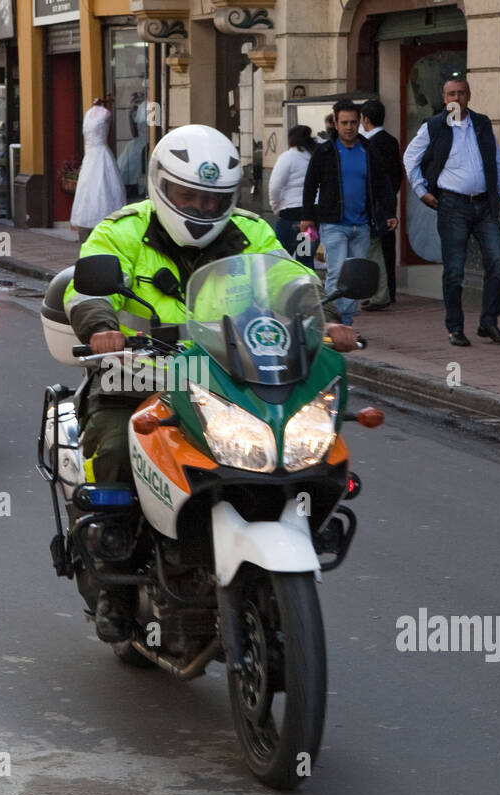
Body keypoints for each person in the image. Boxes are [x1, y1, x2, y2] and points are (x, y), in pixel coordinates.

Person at [62, 124, 359, 641]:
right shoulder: (120, 229)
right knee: (112, 451)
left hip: (227, 380)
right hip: (138, 378)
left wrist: (321, 323)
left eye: (211, 198)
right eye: (187, 195)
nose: (199, 207)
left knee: (306, 444)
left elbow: (292, 282)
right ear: (161, 186)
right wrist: (102, 328)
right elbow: (84, 289)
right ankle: (113, 582)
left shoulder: (252, 233)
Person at [403, 76, 500, 346]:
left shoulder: (481, 124)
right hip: (452, 205)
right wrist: (421, 190)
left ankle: (488, 323)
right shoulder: (434, 126)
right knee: (455, 270)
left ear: (469, 95)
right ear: (444, 99)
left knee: (498, 262)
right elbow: (410, 157)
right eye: (451, 94)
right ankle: (455, 327)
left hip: (484, 204)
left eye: (461, 93)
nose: (456, 98)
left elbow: (496, 163)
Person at [300, 99, 399, 326]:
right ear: (335, 122)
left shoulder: (368, 150)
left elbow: (382, 182)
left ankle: (345, 321)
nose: (349, 127)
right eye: (344, 122)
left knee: (354, 277)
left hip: (362, 225)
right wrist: (307, 217)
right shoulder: (325, 151)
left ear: (359, 122)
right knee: (336, 273)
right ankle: (335, 322)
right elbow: (310, 184)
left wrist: (389, 212)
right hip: (334, 224)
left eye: (353, 122)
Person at [359, 98, 403, 308]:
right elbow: (397, 174)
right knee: (387, 249)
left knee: (374, 250)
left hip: (374, 204)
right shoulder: (391, 140)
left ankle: (379, 294)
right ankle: (389, 291)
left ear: (365, 119)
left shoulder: (368, 145)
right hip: (388, 200)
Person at [69, 97, 126, 243]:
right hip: (91, 155)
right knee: (90, 188)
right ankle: (91, 223)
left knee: (103, 186)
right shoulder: (88, 113)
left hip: (101, 153)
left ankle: (106, 223)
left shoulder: (105, 113)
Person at [269, 124, 316, 269]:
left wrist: (275, 205)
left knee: (281, 260)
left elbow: (275, 186)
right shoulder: (313, 156)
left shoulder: (288, 157)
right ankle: (308, 289)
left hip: (289, 216)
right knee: (305, 259)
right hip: (309, 218)